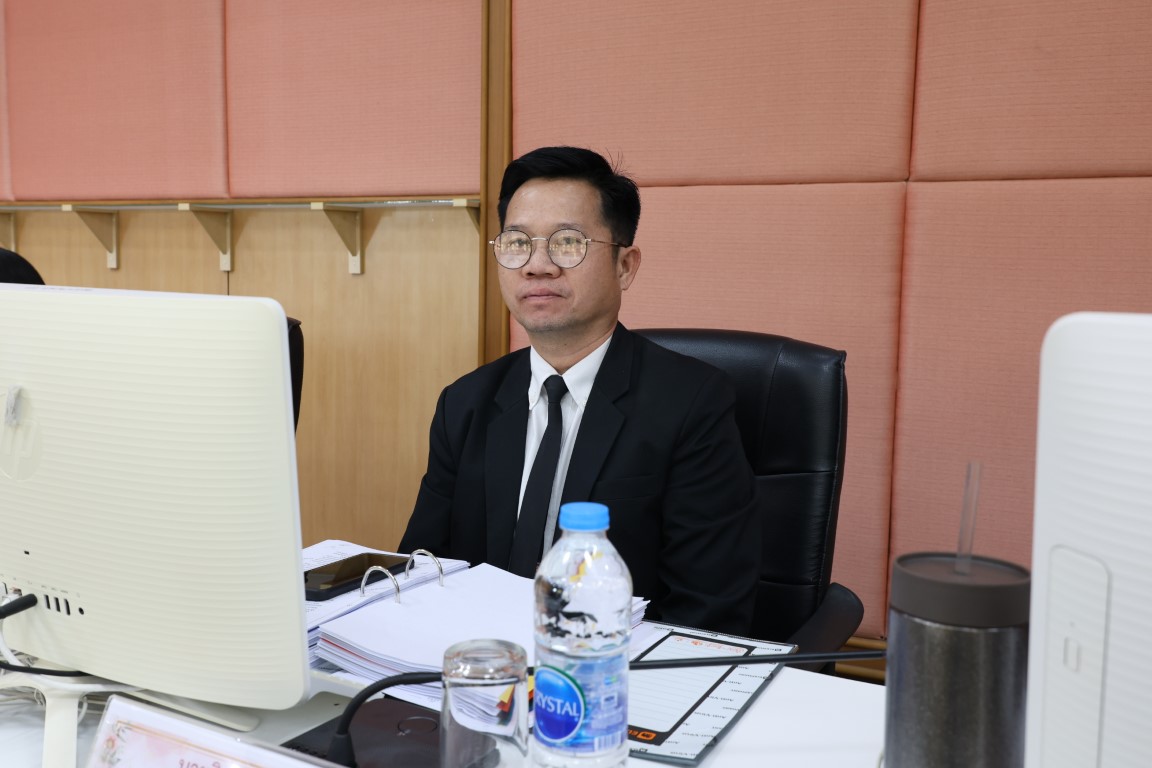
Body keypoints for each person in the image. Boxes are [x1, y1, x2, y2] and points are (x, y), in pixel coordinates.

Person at [399, 146, 760, 634]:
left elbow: (707, 612)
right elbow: (424, 570)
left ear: (625, 266)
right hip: (481, 662)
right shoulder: (464, 403)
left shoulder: (692, 403)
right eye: (517, 243)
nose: (537, 266)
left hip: (611, 665)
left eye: (568, 243)